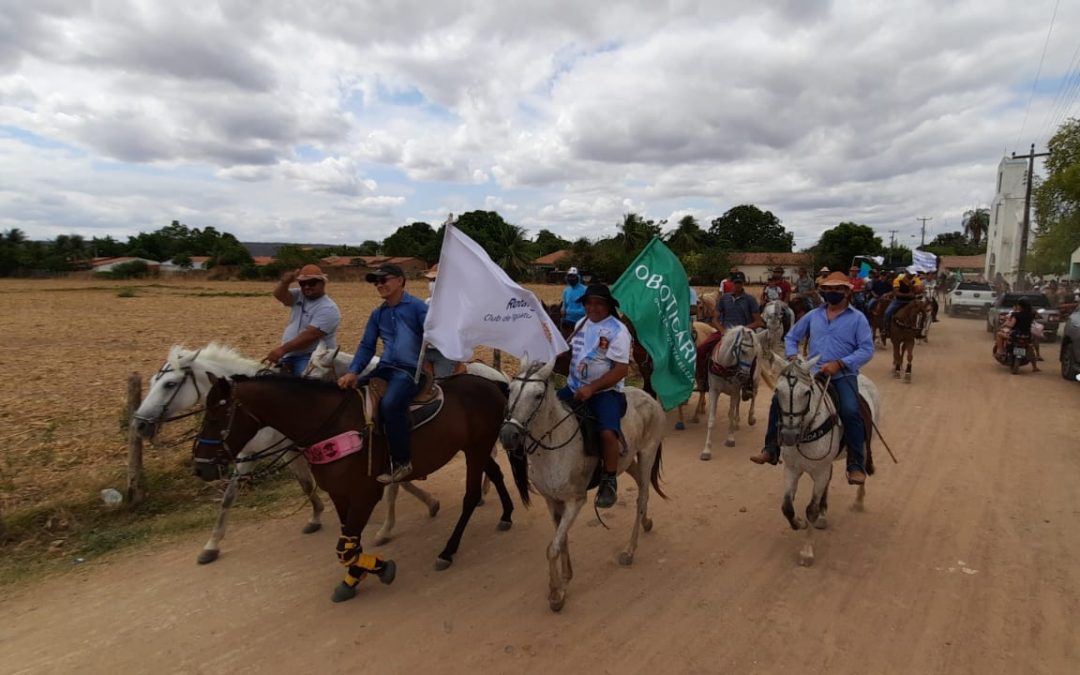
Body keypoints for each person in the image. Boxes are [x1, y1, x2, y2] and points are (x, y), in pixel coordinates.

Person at [750, 272, 875, 485]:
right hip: (812, 372)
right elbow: (791, 337)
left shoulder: (857, 318)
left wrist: (840, 363)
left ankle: (855, 464)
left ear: (847, 292)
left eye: (837, 290)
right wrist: (791, 354)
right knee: (778, 400)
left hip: (842, 374)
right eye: (827, 289)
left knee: (851, 410)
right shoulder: (813, 315)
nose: (831, 293)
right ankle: (771, 448)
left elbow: (866, 349)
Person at [338, 263, 428, 484]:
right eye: (375, 282)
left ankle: (402, 461)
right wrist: (353, 372)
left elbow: (436, 339)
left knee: (389, 405)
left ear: (400, 280)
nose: (379, 285)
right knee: (350, 396)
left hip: (410, 371)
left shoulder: (418, 308)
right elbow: (367, 346)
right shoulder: (378, 314)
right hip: (385, 368)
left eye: (383, 279)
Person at [558, 284, 631, 509]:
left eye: (599, 303)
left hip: (604, 392)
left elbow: (620, 370)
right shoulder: (581, 324)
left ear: (608, 306)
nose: (593, 307)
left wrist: (592, 388)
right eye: (589, 303)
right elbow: (571, 352)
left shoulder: (618, 331)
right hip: (573, 387)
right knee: (541, 409)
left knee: (608, 433)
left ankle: (608, 480)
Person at [697, 271, 764, 400]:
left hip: (743, 334)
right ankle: (703, 381)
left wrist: (742, 329)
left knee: (752, 355)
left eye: (740, 283)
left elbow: (758, 321)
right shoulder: (724, 299)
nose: (737, 285)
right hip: (725, 332)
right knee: (701, 350)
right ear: (731, 283)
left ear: (743, 283)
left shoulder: (750, 300)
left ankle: (748, 385)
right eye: (735, 283)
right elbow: (714, 318)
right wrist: (722, 330)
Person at [266, 264, 341, 375]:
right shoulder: (300, 295)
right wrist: (284, 282)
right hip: (290, 354)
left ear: (323, 283)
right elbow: (280, 295)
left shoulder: (328, 308)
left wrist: (281, 350)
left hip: (312, 357)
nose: (306, 287)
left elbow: (310, 336)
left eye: (312, 283)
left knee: (303, 386)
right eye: (302, 283)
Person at [423, 264, 466, 378]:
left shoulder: (456, 305)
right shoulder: (426, 303)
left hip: (444, 353)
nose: (432, 284)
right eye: (431, 280)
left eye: (436, 280)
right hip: (425, 350)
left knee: (442, 384)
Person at [994, 297, 1038, 372]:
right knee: (1030, 349)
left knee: (999, 334)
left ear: (1020, 306)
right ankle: (1034, 367)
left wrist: (1005, 325)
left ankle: (1001, 351)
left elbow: (1011, 325)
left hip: (1015, 336)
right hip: (1027, 336)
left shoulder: (1016, 315)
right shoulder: (1031, 314)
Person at [882, 270, 922, 338]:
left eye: (913, 273)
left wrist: (910, 284)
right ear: (906, 272)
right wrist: (908, 295)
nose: (912, 275)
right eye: (910, 273)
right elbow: (896, 293)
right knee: (887, 312)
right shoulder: (898, 280)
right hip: (899, 300)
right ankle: (886, 329)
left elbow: (918, 290)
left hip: (911, 301)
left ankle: (919, 330)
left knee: (922, 312)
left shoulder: (916, 279)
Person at [560, 267, 587, 335]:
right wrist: (562, 309)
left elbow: (584, 311)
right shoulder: (566, 290)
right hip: (566, 322)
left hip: (580, 323)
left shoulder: (585, 290)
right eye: (569, 276)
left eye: (573, 276)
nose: (571, 279)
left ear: (578, 277)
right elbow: (564, 305)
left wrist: (568, 311)